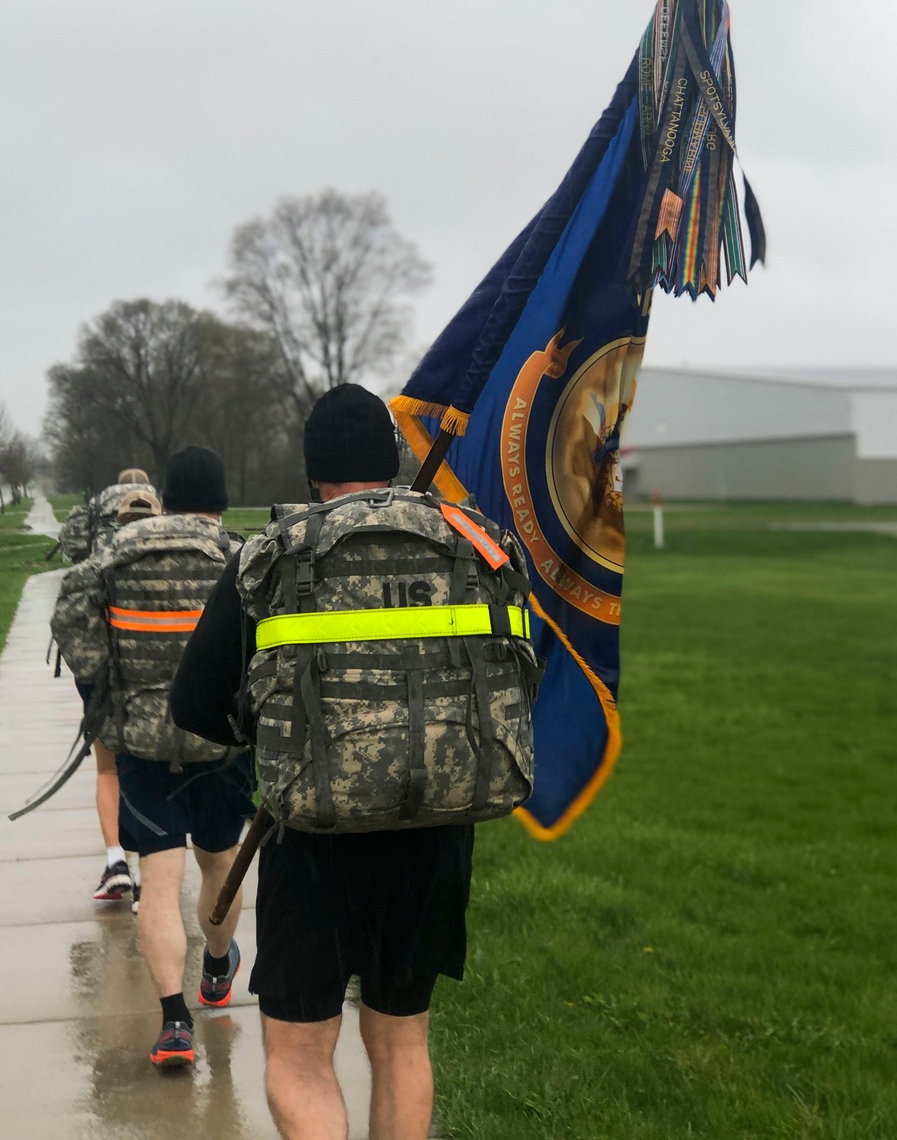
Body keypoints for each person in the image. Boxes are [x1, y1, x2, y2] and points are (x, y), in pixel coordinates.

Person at [171, 386, 536, 1140]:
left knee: (301, 1055)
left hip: (313, 843)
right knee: (403, 1043)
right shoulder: (476, 541)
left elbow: (193, 702)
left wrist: (261, 724)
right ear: (393, 459)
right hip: (435, 835)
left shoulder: (272, 555)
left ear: (312, 477)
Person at [51, 447, 255, 1069]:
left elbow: (70, 621)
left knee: (158, 885)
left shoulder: (117, 551)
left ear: (166, 496)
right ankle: (217, 965)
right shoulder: (239, 556)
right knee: (219, 866)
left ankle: (173, 1024)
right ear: (220, 501)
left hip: (143, 747)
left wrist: (107, 689)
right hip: (221, 746)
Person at [57, 468, 161, 906]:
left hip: (107, 671)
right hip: (157, 673)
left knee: (108, 769)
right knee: (152, 772)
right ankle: (146, 877)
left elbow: (71, 569)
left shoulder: (102, 530)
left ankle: (116, 861)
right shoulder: (162, 532)